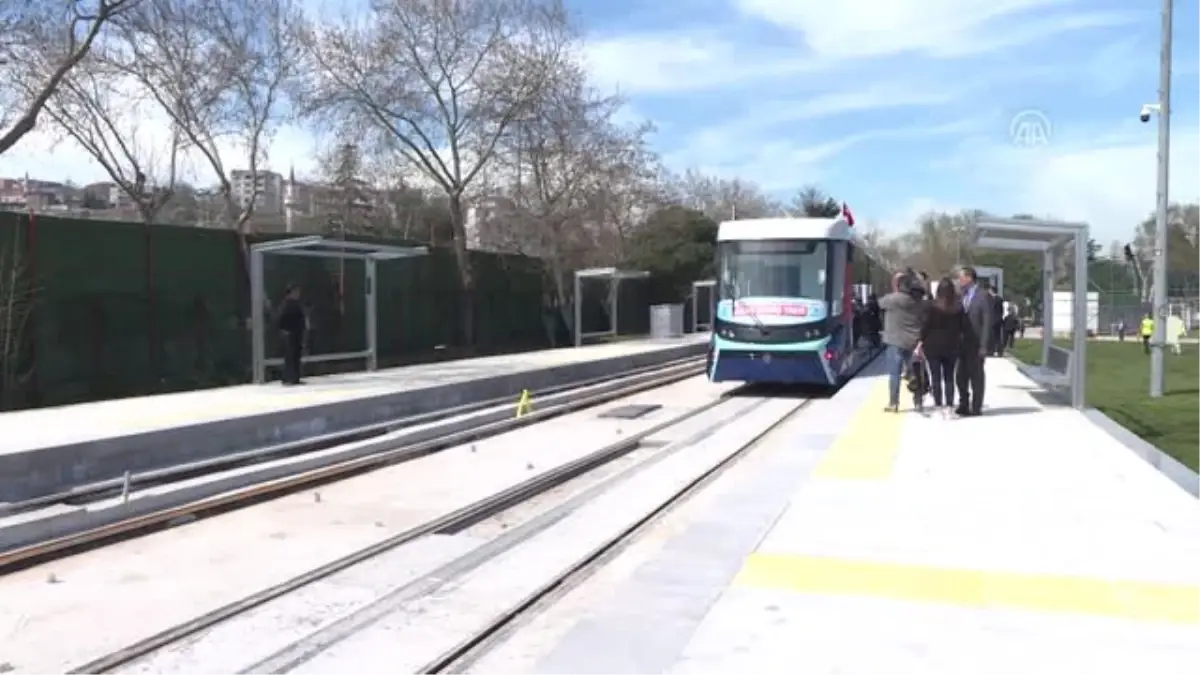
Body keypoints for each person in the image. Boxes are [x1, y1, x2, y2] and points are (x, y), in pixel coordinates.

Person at [878, 269, 928, 413]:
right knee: (917, 374)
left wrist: (894, 289)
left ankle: (894, 403)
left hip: (895, 342)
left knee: (894, 374)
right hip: (913, 342)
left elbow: (879, 303)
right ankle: (918, 403)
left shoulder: (892, 299)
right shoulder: (919, 302)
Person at [916, 277, 964, 418]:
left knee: (935, 377)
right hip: (951, 346)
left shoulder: (931, 306)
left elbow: (925, 326)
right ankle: (949, 408)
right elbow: (962, 327)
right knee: (949, 378)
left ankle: (938, 408)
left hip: (933, 346)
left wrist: (920, 340)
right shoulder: (958, 308)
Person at [956, 266, 991, 416]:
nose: (959, 280)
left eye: (961, 277)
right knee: (960, 376)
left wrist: (984, 345)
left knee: (976, 376)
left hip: (976, 343)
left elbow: (987, 322)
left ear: (969, 278)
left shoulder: (983, 295)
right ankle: (964, 403)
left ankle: (976, 406)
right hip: (961, 343)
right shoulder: (960, 295)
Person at [277, 284, 307, 385]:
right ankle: (290, 378)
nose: (298, 294)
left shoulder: (293, 304)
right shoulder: (287, 304)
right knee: (291, 356)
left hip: (295, 333)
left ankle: (292, 378)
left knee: (294, 356)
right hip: (291, 334)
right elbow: (282, 319)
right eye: (296, 292)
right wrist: (286, 330)